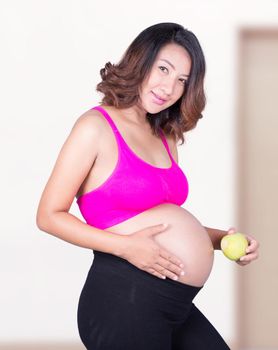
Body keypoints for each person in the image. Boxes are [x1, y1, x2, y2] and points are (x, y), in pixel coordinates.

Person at [36, 22, 260, 349]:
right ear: (141, 61)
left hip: (172, 300)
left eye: (182, 80)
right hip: (123, 298)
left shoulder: (165, 135)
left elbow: (162, 221)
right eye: (163, 69)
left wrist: (220, 239)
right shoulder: (96, 126)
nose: (169, 87)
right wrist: (125, 247)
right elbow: (48, 215)